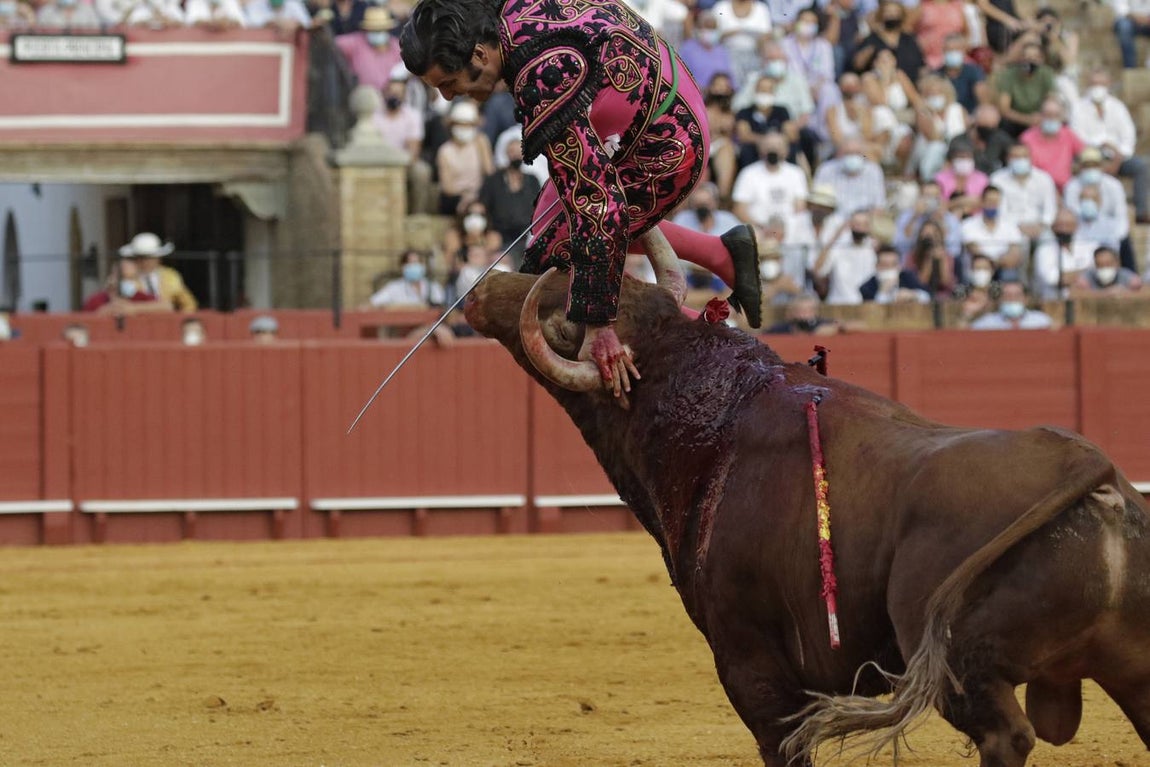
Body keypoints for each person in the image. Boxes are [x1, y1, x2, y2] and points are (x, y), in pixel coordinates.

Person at [401, 0, 765, 395]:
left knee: (555, 260)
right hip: (667, 95)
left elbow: (598, 205)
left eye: (449, 83)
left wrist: (599, 325)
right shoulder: (502, 13)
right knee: (548, 243)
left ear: (479, 54)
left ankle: (711, 336)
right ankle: (721, 254)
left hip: (666, 147)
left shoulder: (541, 78)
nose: (450, 97)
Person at [1071, 68, 1150, 224]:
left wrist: (1118, 157)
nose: (1097, 87)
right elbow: (1077, 138)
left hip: (1118, 157)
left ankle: (1140, 212)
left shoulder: (1118, 107)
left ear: (1109, 85)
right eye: (1094, 83)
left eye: (1101, 84)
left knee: (1141, 166)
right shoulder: (1078, 108)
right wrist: (1100, 147)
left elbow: (1129, 137)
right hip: (1090, 159)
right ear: (1088, 84)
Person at [478, 136, 542, 269]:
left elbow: (540, 207)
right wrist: (487, 231)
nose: (516, 155)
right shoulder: (493, 180)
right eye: (512, 152)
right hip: (500, 237)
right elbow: (482, 207)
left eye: (519, 152)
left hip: (527, 236)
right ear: (506, 154)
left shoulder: (532, 180)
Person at [731, 132, 808, 229]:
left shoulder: (796, 173)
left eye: (778, 146)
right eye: (769, 146)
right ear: (761, 150)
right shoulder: (748, 173)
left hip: (790, 231)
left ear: (786, 150)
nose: (773, 149)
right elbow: (740, 210)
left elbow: (800, 207)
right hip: (758, 230)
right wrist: (762, 228)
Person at [434, 99, 493, 216]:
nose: (463, 128)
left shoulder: (479, 143)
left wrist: (483, 145)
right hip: (455, 196)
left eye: (468, 125)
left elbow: (489, 172)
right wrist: (465, 195)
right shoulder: (444, 151)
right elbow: (447, 186)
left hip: (478, 194)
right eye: (459, 124)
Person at [989, 144, 1057, 244]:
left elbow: (1050, 208)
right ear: (1008, 159)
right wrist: (1018, 226)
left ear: (1030, 158)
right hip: (1011, 226)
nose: (1020, 160)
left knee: (1049, 249)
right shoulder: (997, 179)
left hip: (1040, 226)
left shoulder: (1044, 178)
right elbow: (999, 210)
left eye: (1024, 156)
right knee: (1016, 245)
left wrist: (1043, 225)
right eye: (1015, 157)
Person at [809, 210, 877, 305]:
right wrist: (834, 239)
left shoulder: (874, 249)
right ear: (849, 225)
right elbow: (818, 271)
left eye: (864, 224)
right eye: (857, 224)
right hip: (839, 303)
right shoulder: (838, 248)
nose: (860, 228)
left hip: (866, 305)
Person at [121, 233, 198, 313]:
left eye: (150, 257)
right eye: (142, 257)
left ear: (158, 258)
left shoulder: (170, 276)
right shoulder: (127, 277)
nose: (145, 262)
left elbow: (189, 304)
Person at [1019, 97, 1084, 192]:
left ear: (1061, 117)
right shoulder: (1027, 138)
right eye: (1048, 115)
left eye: (1056, 115)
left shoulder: (1068, 134)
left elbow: (1086, 153)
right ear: (1040, 115)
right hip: (1037, 189)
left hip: (1066, 189)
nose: (1052, 119)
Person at [995, 41, 1056, 139]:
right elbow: (1004, 109)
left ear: (1041, 59)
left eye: (1034, 57)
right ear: (1020, 58)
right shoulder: (1008, 75)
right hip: (1015, 120)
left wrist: (1041, 117)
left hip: (1039, 118)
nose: (1029, 61)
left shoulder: (1047, 74)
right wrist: (1027, 119)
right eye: (1026, 57)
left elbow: (1051, 100)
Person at [812, 136, 886, 215]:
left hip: (862, 222)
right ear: (839, 154)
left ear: (863, 155)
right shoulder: (826, 169)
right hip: (831, 219)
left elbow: (879, 206)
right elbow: (817, 202)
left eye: (857, 153)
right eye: (848, 153)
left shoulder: (874, 171)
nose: (853, 157)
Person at [1033, 208, 1096, 300]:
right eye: (1060, 225)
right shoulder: (1044, 250)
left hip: (1087, 299)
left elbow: (1097, 271)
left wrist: (1070, 276)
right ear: (1053, 227)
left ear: (1076, 226)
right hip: (1054, 302)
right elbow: (1052, 278)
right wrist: (1084, 272)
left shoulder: (1089, 246)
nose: (1063, 229)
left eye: (1068, 225)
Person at [336, 6, 402, 91]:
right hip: (364, 99)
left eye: (380, 29)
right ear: (366, 29)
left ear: (387, 29)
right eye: (373, 30)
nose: (377, 33)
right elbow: (334, 43)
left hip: (392, 98)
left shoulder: (396, 47)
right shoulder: (356, 43)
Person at [369, 250, 445, 307]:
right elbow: (373, 303)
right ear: (403, 267)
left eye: (417, 262)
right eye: (410, 263)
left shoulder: (433, 287)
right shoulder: (394, 287)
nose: (414, 266)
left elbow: (441, 306)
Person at [970, 278, 1053, 329]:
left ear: (1025, 299)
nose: (1012, 299)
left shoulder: (1041, 321)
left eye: (1017, 296)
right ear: (1000, 299)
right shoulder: (986, 324)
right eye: (1007, 296)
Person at [860, 244, 931, 303]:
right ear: (877, 266)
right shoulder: (867, 287)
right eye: (885, 265)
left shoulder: (907, 277)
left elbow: (928, 296)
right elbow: (872, 311)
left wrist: (913, 295)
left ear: (899, 266)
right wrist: (883, 293)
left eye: (893, 264)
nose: (889, 268)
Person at [935, 33, 987, 114]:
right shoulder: (936, 74)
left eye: (956, 50)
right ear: (943, 51)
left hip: (971, 115)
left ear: (964, 51)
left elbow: (983, 99)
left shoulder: (974, 71)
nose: (952, 53)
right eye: (949, 50)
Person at [1073, 245, 1142, 296]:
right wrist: (1106, 293)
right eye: (1100, 265)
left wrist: (1125, 293)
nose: (1104, 268)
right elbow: (1075, 292)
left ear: (1117, 263)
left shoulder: (1125, 275)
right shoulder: (1089, 275)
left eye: (1108, 264)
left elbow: (1142, 289)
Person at [763, 291, 840, 335]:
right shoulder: (782, 328)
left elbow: (841, 325)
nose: (804, 315)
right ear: (792, 312)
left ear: (815, 312)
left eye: (808, 311)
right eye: (800, 311)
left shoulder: (821, 324)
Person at [1112, 0, 1150, 69]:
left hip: (1147, 21)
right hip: (1129, 20)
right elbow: (1121, 9)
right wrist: (1135, 17)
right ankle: (1130, 68)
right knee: (1124, 26)